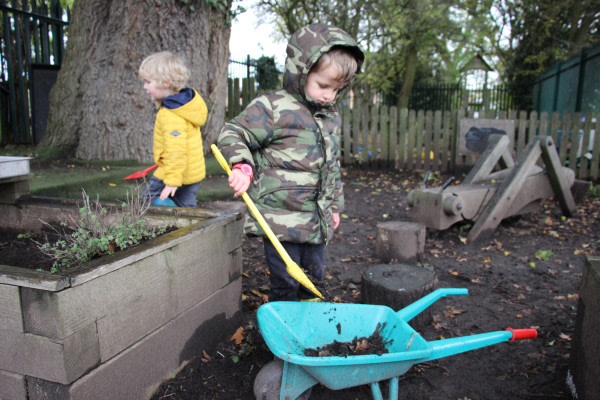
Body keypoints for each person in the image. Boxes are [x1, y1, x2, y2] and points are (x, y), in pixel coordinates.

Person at [217, 24, 364, 301]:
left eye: (337, 89)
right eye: (323, 85)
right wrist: (242, 165)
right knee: (285, 283)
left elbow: (331, 166)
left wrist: (334, 206)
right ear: (301, 71)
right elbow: (233, 132)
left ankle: (308, 336)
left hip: (315, 221)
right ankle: (282, 334)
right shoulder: (272, 108)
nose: (328, 96)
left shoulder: (330, 116)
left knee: (314, 281)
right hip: (280, 220)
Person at [138, 51, 208, 208]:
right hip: (193, 173)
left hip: (176, 173)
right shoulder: (185, 106)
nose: (145, 87)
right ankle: (192, 229)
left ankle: (168, 226)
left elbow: (176, 150)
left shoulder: (171, 113)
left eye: (148, 82)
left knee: (147, 199)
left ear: (166, 83)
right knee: (186, 208)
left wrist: (172, 180)